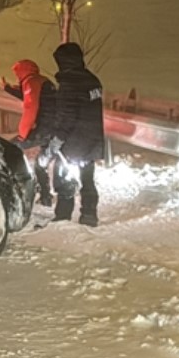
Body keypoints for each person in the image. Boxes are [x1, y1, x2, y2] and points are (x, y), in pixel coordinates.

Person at [46, 41, 105, 226]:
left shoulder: (69, 83)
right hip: (92, 140)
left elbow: (67, 115)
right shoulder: (93, 80)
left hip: (73, 143)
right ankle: (89, 215)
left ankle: (63, 215)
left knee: (63, 179)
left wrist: (58, 139)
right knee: (87, 179)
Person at [1, 60, 58, 207]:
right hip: (54, 128)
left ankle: (11, 189)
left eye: (17, 73)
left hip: (43, 128)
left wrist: (23, 133)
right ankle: (45, 196)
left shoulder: (31, 82)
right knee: (41, 162)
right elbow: (29, 96)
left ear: (23, 72)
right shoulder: (42, 81)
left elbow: (30, 106)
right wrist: (8, 88)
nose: (16, 77)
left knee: (9, 149)